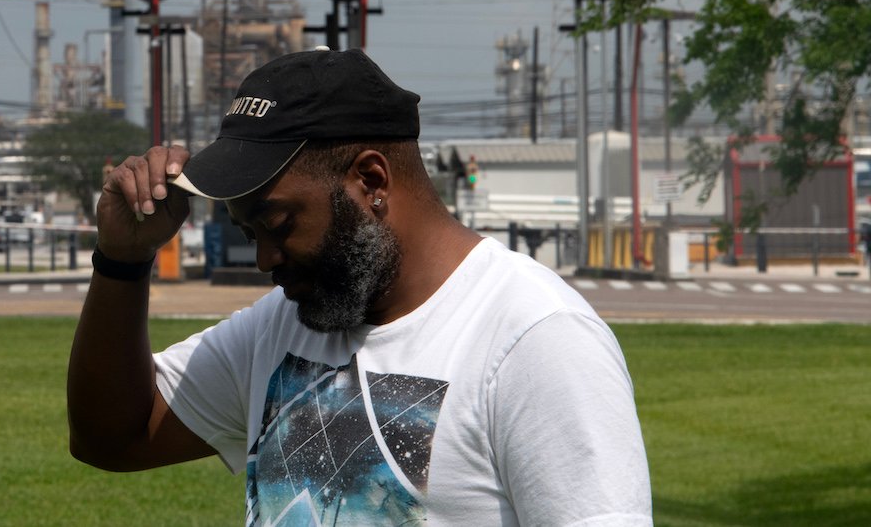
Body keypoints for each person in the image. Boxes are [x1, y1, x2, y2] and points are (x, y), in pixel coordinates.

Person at [67, 47, 651, 525]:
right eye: (249, 233)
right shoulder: (284, 324)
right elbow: (112, 437)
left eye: (277, 225)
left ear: (371, 180)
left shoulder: (534, 339)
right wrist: (123, 260)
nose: (265, 258)